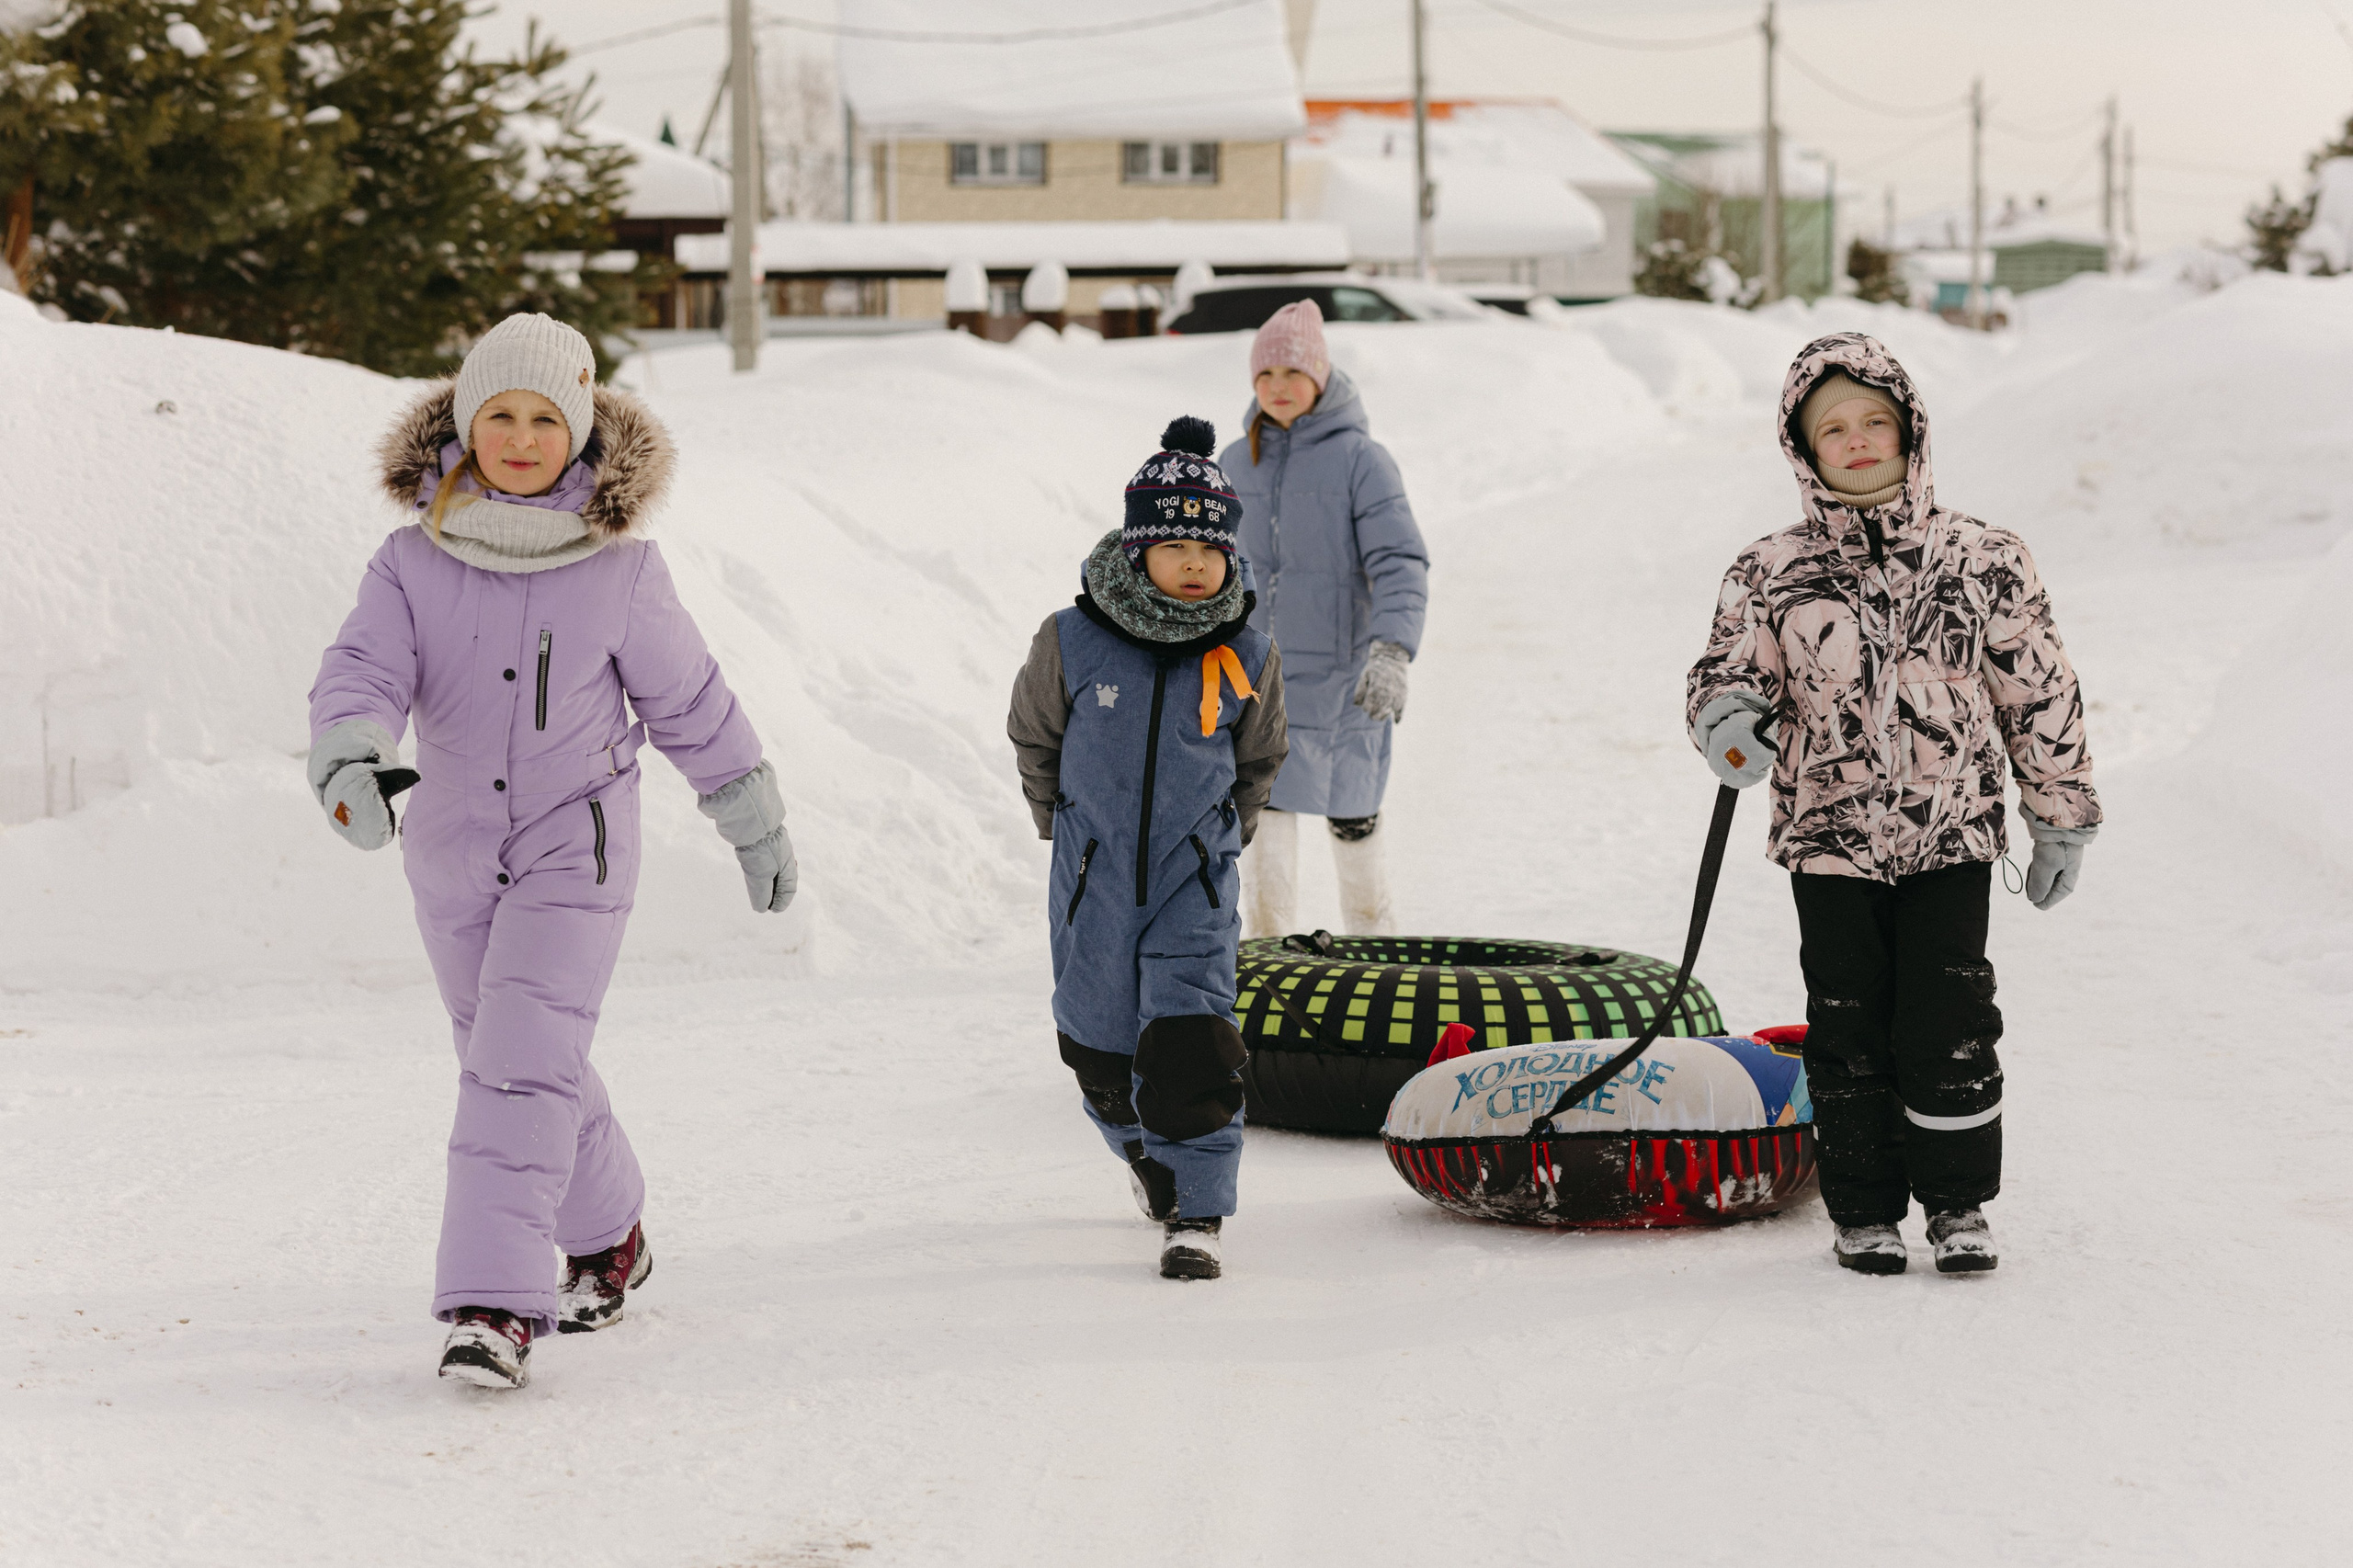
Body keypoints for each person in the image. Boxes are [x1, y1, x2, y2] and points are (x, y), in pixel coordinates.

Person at [307, 313, 794, 1389]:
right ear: (463, 424)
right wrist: (349, 753)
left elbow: (689, 700)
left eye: (544, 418)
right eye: (500, 415)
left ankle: (494, 1302)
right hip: (451, 851)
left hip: (577, 845)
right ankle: (611, 1232)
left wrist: (750, 813)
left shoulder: (619, 570)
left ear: (578, 432)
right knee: (512, 1056)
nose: (521, 438)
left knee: (520, 1061)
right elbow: (362, 669)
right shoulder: (410, 562)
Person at [1686, 332, 2100, 1278]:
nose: (1858, 440)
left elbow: (2038, 691)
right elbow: (1728, 670)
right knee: (1846, 1021)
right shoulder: (1769, 569)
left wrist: (2059, 814)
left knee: (1951, 1017)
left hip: (1951, 837)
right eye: (1834, 427)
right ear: (1803, 447)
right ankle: (1864, 1208)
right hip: (1828, 840)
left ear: (1909, 429)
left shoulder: (1983, 556)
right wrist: (1727, 720)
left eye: (1874, 420)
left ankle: (1957, 1203)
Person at [1007, 417, 1288, 1281]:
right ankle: (1143, 1155)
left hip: (1191, 885)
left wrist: (1220, 842)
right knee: (1097, 1049)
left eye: (1210, 548)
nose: (1195, 563)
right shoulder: (1072, 638)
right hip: (1089, 879)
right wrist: (1062, 828)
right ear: (1138, 550)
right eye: (1174, 546)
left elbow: (1261, 758)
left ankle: (1196, 1211)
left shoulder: (1247, 650)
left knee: (1189, 1040)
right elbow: (1035, 737)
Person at [1219, 300, 1427, 938]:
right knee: (1265, 810)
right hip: (1258, 678)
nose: (1278, 387)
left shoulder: (1363, 460)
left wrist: (1391, 650)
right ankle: (1270, 947)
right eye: (1265, 374)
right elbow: (1210, 566)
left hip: (1345, 679)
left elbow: (1399, 560)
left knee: (1352, 811)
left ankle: (1374, 943)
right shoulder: (1235, 462)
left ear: (1321, 377)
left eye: (1293, 372)